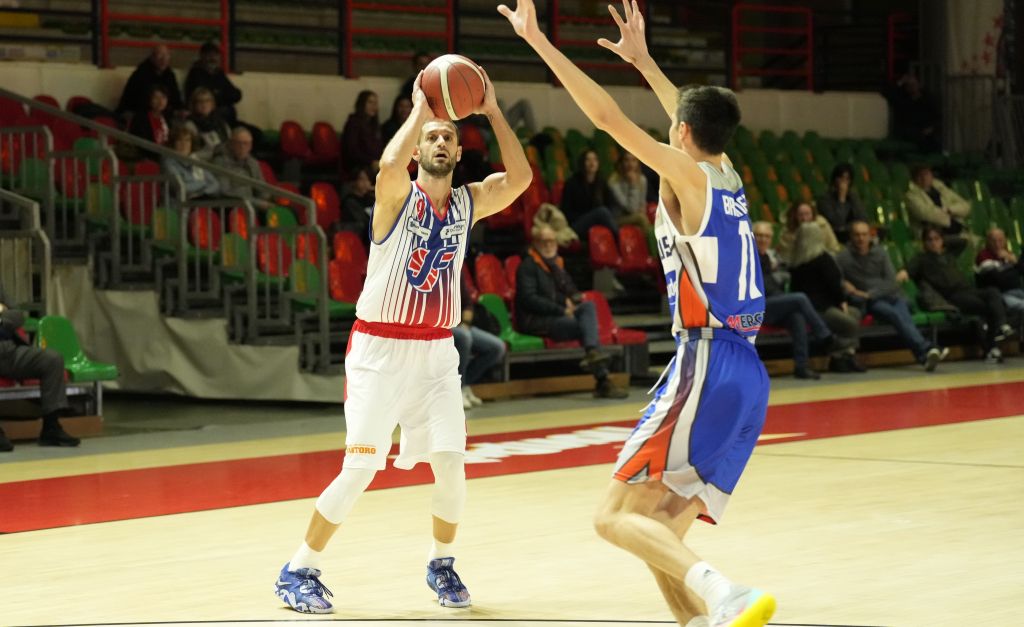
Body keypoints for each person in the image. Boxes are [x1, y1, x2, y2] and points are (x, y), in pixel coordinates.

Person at [501, 1, 776, 626]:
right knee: (655, 530)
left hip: (705, 361)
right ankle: (704, 620)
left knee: (611, 518)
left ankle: (723, 593)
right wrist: (645, 60)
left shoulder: (685, 172)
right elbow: (686, 113)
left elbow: (605, 117)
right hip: (748, 376)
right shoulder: (728, 175)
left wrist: (539, 43)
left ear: (680, 134)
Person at [273, 67, 532, 614]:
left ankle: (442, 562)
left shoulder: (468, 201)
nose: (440, 142)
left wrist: (490, 111)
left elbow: (522, 178)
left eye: (448, 137)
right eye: (431, 137)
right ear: (419, 150)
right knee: (360, 468)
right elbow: (388, 165)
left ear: (460, 152)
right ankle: (298, 568)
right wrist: (421, 107)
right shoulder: (394, 196)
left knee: (452, 464)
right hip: (380, 349)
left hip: (437, 352)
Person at [515, 225, 628, 399]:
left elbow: (572, 291)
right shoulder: (527, 266)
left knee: (588, 307)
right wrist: (561, 308)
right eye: (544, 241)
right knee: (586, 328)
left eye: (552, 241)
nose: (549, 245)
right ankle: (602, 379)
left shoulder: (556, 264)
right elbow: (529, 299)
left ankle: (594, 355)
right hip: (536, 321)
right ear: (535, 244)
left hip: (557, 317)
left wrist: (574, 300)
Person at [837, 221, 948, 371]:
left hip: (890, 295)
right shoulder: (842, 258)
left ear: (870, 236)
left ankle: (925, 354)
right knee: (894, 314)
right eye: (857, 235)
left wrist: (870, 293)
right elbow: (836, 280)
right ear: (851, 237)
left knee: (900, 312)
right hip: (870, 302)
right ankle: (926, 350)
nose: (861, 239)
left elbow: (892, 281)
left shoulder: (881, 253)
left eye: (864, 234)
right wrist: (846, 286)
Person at [908, 225, 1013, 363]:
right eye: (929, 240)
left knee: (993, 292)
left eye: (937, 239)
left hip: (968, 290)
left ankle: (1001, 328)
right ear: (924, 243)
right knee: (988, 307)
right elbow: (907, 270)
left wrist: (944, 241)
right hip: (952, 296)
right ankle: (991, 346)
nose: (934, 242)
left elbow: (962, 242)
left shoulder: (948, 254)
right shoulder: (922, 259)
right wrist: (904, 272)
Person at [754, 221, 839, 380]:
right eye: (759, 235)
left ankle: (801, 366)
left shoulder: (765, 257)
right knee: (800, 298)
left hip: (771, 303)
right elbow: (762, 288)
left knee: (797, 316)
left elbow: (771, 285)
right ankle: (824, 334)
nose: (763, 239)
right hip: (754, 308)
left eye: (766, 236)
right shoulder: (748, 256)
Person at [0, 283, 80, 452]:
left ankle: (51, 427)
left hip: (9, 350)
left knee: (52, 359)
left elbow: (17, 315)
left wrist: (1, 319)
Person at [789, 223, 865, 373]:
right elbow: (835, 284)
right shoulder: (824, 259)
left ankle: (843, 357)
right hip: (821, 308)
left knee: (855, 314)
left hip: (816, 307)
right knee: (850, 322)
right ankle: (840, 353)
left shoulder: (796, 263)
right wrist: (842, 302)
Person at [452, 270, 507, 409]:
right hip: (439, 326)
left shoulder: (456, 269)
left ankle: (463, 384)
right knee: (464, 337)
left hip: (460, 324)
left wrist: (465, 323)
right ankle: (457, 390)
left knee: (497, 347)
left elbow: (468, 304)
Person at [905, 164, 970, 254]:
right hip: (931, 236)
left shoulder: (941, 189)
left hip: (955, 229)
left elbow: (965, 206)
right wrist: (948, 218)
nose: (924, 178)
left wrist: (950, 210)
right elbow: (925, 214)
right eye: (920, 175)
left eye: (927, 174)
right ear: (915, 179)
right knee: (962, 242)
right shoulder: (911, 195)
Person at [560, 148, 623, 239]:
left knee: (605, 213)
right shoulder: (572, 183)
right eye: (588, 160)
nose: (592, 163)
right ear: (582, 163)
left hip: (599, 220)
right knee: (602, 211)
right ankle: (620, 240)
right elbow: (566, 211)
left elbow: (613, 204)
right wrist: (590, 216)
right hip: (578, 224)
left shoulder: (601, 181)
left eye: (595, 160)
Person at [115, 44, 184, 122]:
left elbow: (175, 97)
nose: (164, 59)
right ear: (152, 58)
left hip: (163, 112)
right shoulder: (141, 73)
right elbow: (140, 101)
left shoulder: (170, 75)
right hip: (138, 112)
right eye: (160, 55)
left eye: (167, 55)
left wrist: (180, 110)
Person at [211, 127, 270, 209]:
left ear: (251, 146)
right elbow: (224, 192)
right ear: (231, 144)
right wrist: (256, 203)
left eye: (246, 143)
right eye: (238, 143)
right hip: (232, 208)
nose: (242, 147)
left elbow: (262, 190)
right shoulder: (220, 161)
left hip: (253, 206)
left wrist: (267, 200)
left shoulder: (253, 163)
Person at [183, 42, 242, 123]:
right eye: (209, 55)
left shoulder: (218, 73)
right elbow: (203, 97)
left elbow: (236, 95)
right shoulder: (195, 73)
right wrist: (221, 95)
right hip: (205, 118)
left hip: (226, 119)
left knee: (256, 132)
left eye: (215, 55)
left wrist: (220, 94)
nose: (213, 58)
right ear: (202, 57)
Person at [976, 227, 1024, 317]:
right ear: (988, 242)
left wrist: (1015, 262)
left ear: (1005, 240)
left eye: (1000, 240)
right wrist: (1013, 271)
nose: (997, 244)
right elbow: (999, 280)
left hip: (1018, 291)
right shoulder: (984, 256)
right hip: (1001, 296)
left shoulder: (1008, 254)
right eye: (993, 241)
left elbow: (1021, 271)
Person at [162, 127, 221, 200]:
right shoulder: (169, 162)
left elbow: (216, 185)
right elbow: (182, 188)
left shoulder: (195, 160)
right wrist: (204, 183)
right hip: (176, 207)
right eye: (180, 140)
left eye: (187, 140)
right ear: (173, 143)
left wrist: (202, 193)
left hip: (199, 202)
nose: (184, 144)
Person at [776, 200, 841, 264]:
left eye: (807, 214)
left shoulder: (822, 225)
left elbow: (833, 247)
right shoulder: (788, 232)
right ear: (795, 216)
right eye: (800, 215)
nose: (804, 218)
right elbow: (787, 257)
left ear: (813, 214)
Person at [815, 163, 866, 243]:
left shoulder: (852, 197)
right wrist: (841, 199)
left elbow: (862, 218)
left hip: (853, 235)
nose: (844, 182)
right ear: (835, 179)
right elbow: (838, 222)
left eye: (847, 179)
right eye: (841, 178)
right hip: (834, 236)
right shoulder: (824, 199)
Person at [341, 90, 384, 175]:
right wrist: (371, 162)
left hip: (373, 164)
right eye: (370, 102)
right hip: (358, 166)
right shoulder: (353, 123)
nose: (373, 106)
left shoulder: (374, 125)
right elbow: (352, 151)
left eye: (375, 103)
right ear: (362, 104)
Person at [183, 87, 231, 159]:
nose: (204, 104)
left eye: (207, 101)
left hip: (225, 159)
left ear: (212, 103)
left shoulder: (221, 122)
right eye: (200, 101)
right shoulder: (189, 125)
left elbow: (230, 142)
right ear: (194, 104)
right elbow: (191, 152)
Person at [608, 150, 651, 228]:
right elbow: (630, 208)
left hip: (636, 215)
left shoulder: (642, 179)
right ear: (621, 162)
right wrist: (633, 185)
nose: (630, 164)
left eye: (633, 160)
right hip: (618, 218)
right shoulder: (614, 182)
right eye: (626, 160)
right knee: (641, 219)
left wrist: (642, 210)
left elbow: (642, 203)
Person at [126, 85, 171, 159]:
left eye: (163, 97)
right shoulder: (140, 118)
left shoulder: (167, 117)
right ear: (149, 99)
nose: (160, 101)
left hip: (167, 156)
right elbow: (140, 144)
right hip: (148, 156)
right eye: (156, 97)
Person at [339, 166, 375, 240]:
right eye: (362, 179)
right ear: (353, 182)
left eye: (368, 179)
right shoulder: (350, 202)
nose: (366, 183)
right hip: (358, 237)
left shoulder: (370, 199)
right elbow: (365, 223)